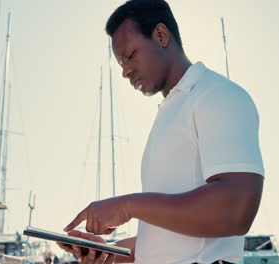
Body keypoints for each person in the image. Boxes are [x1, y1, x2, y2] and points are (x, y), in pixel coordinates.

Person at [57, 0, 264, 263]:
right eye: (120, 62)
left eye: (130, 55)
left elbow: (236, 209)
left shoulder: (217, 95)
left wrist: (126, 206)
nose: (124, 71)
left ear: (161, 35)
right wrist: (110, 252)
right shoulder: (171, 111)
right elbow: (171, 240)